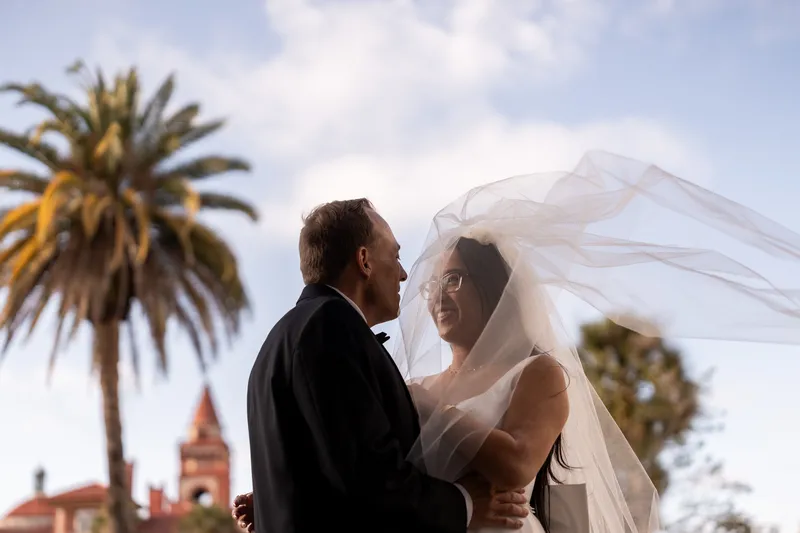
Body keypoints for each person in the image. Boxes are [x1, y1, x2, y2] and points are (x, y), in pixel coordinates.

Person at [243, 198, 529, 533]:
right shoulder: (330, 327)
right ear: (364, 260)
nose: (404, 274)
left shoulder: (283, 338)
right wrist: (465, 504)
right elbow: (370, 476)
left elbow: (324, 464)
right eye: (394, 255)